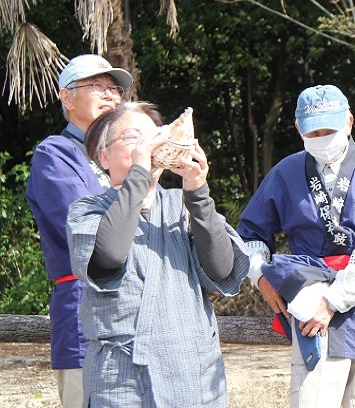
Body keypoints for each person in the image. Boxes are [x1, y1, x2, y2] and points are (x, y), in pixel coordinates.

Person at [66, 101, 250, 407]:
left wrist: (197, 190)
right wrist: (139, 177)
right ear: (103, 156)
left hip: (195, 377)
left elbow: (221, 267)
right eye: (132, 138)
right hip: (122, 381)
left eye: (153, 137)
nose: (145, 146)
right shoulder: (87, 209)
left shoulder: (185, 204)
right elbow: (108, 256)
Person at [237, 85, 355, 408]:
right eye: (314, 132)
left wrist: (332, 302)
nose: (323, 137)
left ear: (350, 122)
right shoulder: (285, 173)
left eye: (330, 129)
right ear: (299, 129)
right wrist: (260, 277)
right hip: (308, 308)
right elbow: (250, 233)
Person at [25, 54, 134, 408]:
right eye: (96, 86)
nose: (110, 95)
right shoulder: (55, 154)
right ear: (67, 97)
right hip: (83, 306)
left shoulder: (127, 158)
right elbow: (86, 228)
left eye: (114, 88)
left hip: (138, 307)